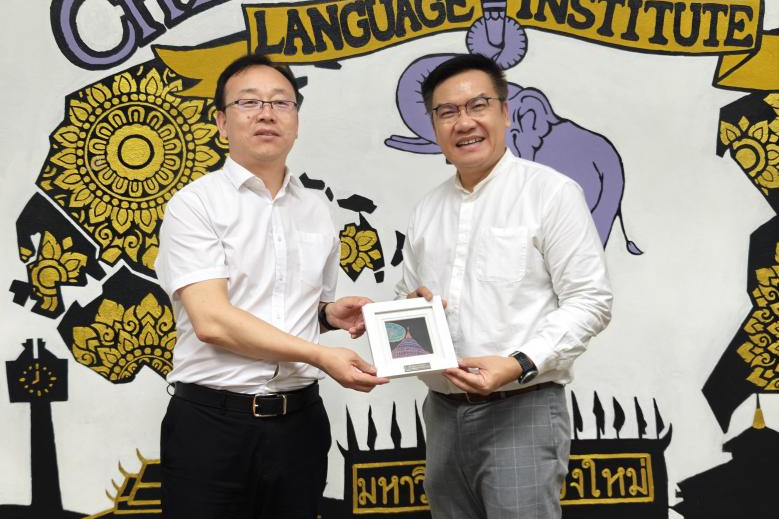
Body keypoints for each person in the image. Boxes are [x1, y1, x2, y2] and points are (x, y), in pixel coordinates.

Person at [155, 54, 388, 519]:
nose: (266, 113)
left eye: (281, 102)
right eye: (249, 102)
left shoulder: (315, 208)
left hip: (300, 427)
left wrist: (327, 315)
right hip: (212, 427)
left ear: (296, 122)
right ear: (222, 122)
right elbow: (213, 321)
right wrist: (320, 355)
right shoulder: (195, 204)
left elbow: (293, 306)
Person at [395, 53, 613, 518]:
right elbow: (404, 305)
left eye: (478, 105)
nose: (464, 122)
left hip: (522, 409)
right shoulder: (426, 211)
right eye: (447, 112)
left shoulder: (551, 193)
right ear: (434, 126)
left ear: (506, 112)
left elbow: (591, 301)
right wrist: (410, 314)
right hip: (441, 413)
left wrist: (517, 364)